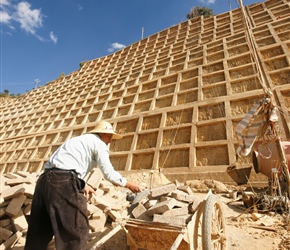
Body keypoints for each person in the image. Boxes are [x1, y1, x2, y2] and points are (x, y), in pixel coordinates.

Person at [24, 120, 141, 250]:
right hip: (62, 183)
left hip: (44, 181)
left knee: (39, 230)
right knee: (75, 231)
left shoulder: (78, 141)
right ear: (102, 134)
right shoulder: (99, 144)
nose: (110, 140)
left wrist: (82, 184)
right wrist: (128, 183)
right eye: (109, 136)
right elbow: (108, 173)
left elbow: (64, 166)